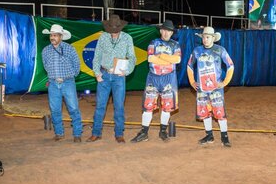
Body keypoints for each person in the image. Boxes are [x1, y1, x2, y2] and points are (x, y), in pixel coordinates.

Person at [86, 14, 136, 143]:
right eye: (111, 30)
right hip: (104, 75)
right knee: (100, 106)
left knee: (119, 106)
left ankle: (119, 133)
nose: (113, 33)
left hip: (119, 77)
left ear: (120, 28)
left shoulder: (127, 38)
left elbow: (132, 57)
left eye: (115, 30)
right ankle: (96, 133)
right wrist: (97, 73)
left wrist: (127, 71)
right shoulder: (103, 37)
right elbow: (96, 56)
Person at [131, 20, 181, 143]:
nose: (166, 33)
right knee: (148, 106)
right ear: (160, 31)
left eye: (169, 31)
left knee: (167, 107)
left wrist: (161, 56)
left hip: (169, 79)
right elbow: (151, 58)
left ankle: (163, 130)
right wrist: (168, 60)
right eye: (164, 30)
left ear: (172, 32)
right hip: (153, 78)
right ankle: (144, 132)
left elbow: (177, 59)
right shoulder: (153, 43)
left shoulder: (176, 45)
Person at [187, 26, 234, 147]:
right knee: (205, 112)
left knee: (220, 113)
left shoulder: (220, 50)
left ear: (213, 38)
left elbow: (230, 65)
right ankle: (209, 135)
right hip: (202, 89)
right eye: (204, 37)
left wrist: (224, 82)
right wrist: (192, 81)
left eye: (208, 37)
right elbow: (189, 66)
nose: (205, 39)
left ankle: (224, 137)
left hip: (216, 89)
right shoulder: (196, 51)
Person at [42, 24, 83, 143]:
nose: (52, 37)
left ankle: (77, 134)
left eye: (55, 35)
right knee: (55, 110)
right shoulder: (45, 51)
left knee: (74, 109)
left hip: (68, 82)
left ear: (61, 36)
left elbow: (77, 65)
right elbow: (46, 66)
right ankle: (59, 133)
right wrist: (54, 76)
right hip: (53, 84)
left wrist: (69, 76)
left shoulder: (69, 48)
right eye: (51, 35)